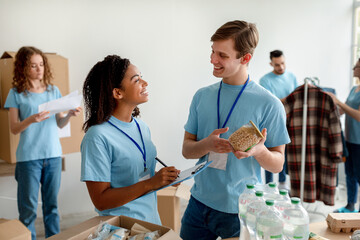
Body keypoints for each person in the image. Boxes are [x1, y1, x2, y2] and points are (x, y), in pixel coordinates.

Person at [180, 20, 290, 239]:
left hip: (241, 211)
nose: (213, 60)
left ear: (245, 58)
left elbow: (278, 164)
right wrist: (206, 144)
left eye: (222, 55)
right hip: (198, 204)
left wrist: (259, 151)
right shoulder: (201, 96)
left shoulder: (269, 104)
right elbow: (186, 150)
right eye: (212, 52)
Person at [80, 55, 179, 224]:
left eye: (141, 76)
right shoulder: (96, 137)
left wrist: (163, 178)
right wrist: (151, 183)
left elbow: (135, 175)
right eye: (136, 80)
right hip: (123, 228)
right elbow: (101, 201)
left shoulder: (142, 127)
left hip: (152, 222)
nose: (145, 83)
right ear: (118, 92)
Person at [4, 46, 81, 240]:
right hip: (29, 158)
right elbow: (14, 128)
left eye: (41, 65)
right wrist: (32, 119)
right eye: (33, 65)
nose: (39, 69)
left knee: (52, 207)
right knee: (28, 210)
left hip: (53, 155)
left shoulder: (54, 91)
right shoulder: (16, 93)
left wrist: (70, 115)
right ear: (23, 68)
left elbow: (59, 123)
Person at [259, 50, 297, 188]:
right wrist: (289, 98)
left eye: (282, 63)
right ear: (271, 64)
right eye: (277, 65)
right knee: (270, 152)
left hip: (290, 121)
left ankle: (283, 183)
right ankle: (269, 185)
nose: (280, 67)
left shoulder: (292, 77)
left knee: (285, 153)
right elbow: (271, 104)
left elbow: (296, 100)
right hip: (272, 122)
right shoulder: (265, 80)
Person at [328, 59, 360, 213]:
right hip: (348, 139)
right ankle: (350, 205)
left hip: (359, 140)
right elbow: (344, 111)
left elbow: (358, 116)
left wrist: (338, 101)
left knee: (358, 175)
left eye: (357, 66)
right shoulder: (355, 89)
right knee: (350, 173)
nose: (354, 68)